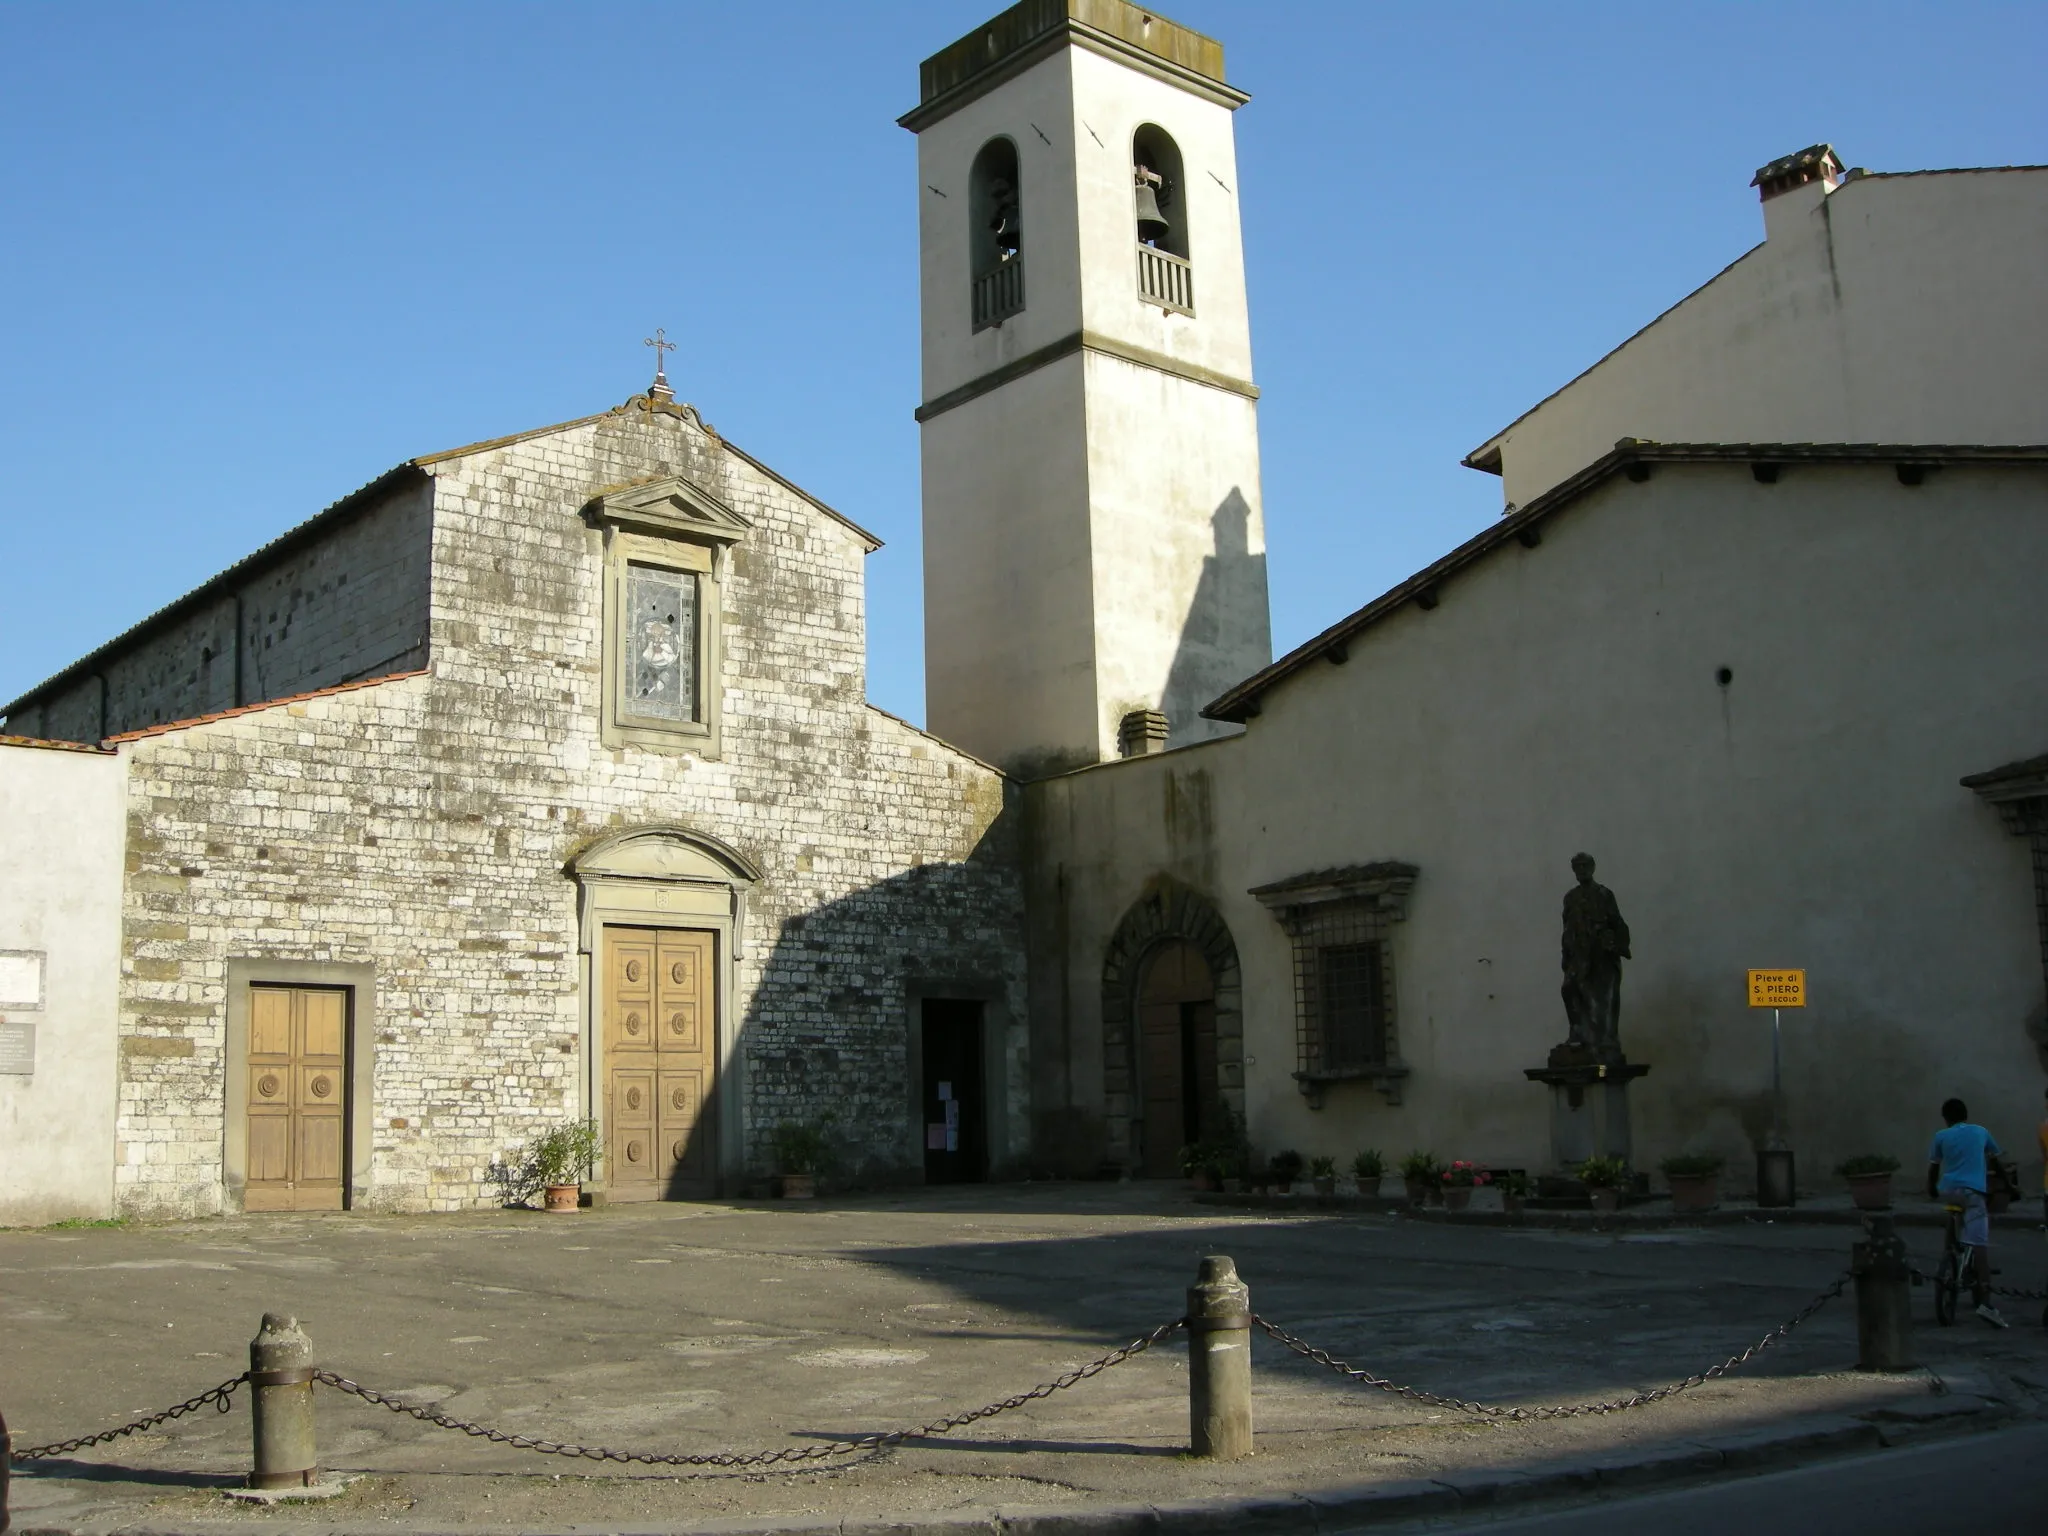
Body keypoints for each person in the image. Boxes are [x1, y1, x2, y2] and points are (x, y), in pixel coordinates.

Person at [1926, 1097, 2008, 1327]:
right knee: (1979, 1245)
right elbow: (1996, 1163)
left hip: (1950, 1191)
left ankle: (1948, 1257)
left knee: (1953, 1218)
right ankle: (1986, 1303)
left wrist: (1932, 1190)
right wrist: (2010, 1187)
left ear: (1946, 1119)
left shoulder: (1940, 1136)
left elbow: (1933, 1169)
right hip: (1973, 1192)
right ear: (1966, 1115)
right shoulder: (1981, 1132)